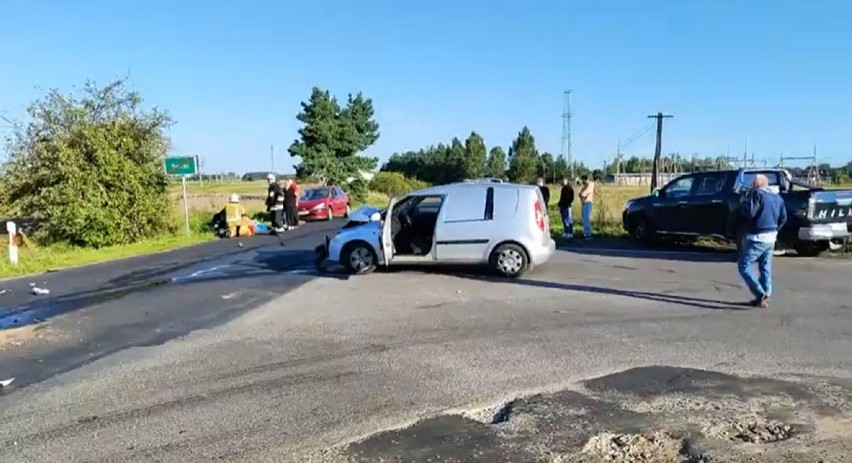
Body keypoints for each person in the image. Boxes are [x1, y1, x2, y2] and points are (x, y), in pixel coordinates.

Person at [737, 174, 787, 308]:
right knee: (765, 266)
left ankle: (760, 293)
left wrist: (744, 202)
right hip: (771, 237)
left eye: (753, 182)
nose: (752, 184)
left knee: (744, 265)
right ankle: (767, 292)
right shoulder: (777, 198)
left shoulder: (757, 194)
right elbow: (783, 218)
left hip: (757, 237)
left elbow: (750, 212)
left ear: (758, 184)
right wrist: (775, 229)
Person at [578, 175, 595, 239]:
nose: (582, 181)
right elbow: (579, 193)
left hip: (587, 203)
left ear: (585, 179)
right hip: (584, 203)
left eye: (582, 180)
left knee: (586, 219)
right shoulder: (585, 186)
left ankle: (587, 234)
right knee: (585, 219)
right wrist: (581, 194)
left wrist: (581, 194)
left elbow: (583, 194)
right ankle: (586, 233)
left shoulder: (589, 185)